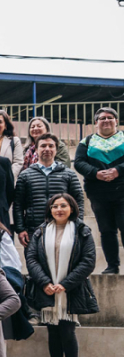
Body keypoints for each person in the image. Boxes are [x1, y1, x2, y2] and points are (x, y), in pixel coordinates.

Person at [25, 193, 98, 357]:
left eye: (63, 205)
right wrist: (44, 283)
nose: (59, 209)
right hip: (47, 289)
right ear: (50, 209)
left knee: (67, 330)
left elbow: (88, 261)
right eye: (55, 206)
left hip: (70, 290)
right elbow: (31, 258)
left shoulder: (82, 230)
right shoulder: (40, 231)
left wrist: (65, 284)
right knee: (53, 331)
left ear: (71, 208)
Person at [74, 107, 124, 274]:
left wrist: (118, 170)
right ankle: (112, 266)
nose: (106, 120)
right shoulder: (87, 141)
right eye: (102, 118)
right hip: (98, 193)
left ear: (116, 121)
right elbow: (79, 162)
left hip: (122, 190)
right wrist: (95, 173)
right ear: (96, 122)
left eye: (110, 117)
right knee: (106, 230)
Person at [16, 135, 84, 247]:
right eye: (43, 146)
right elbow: (18, 204)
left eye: (51, 146)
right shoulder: (25, 175)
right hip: (34, 231)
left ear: (56, 149)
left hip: (63, 229)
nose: (47, 149)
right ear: (36, 149)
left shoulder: (69, 174)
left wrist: (77, 225)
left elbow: (78, 201)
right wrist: (20, 229)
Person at [0, 109, 24, 181]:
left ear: (5, 126)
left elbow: (18, 162)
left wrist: (8, 176)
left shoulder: (14, 141)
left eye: (0, 122)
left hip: (9, 181)